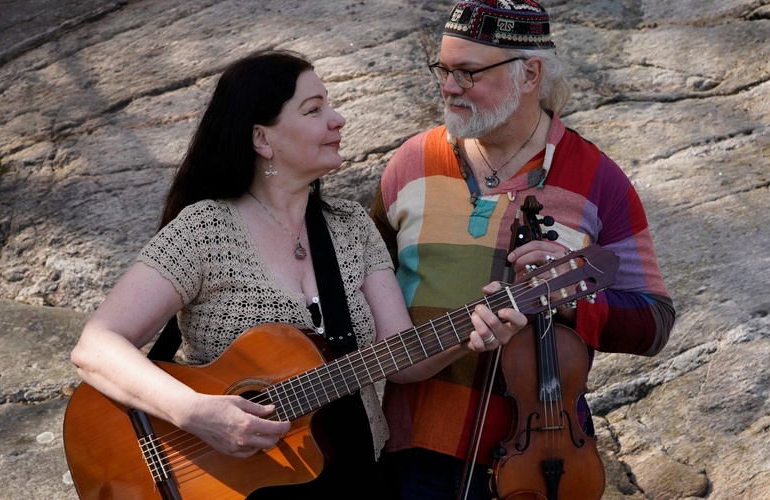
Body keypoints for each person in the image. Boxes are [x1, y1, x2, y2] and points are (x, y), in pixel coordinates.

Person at [69, 49, 527, 498]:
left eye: (328, 103)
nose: (338, 119)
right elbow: (96, 347)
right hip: (232, 482)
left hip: (354, 474)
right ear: (262, 139)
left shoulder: (350, 227)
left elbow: (402, 361)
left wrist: (473, 333)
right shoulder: (204, 229)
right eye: (314, 110)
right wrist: (197, 413)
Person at [369, 1, 677, 498]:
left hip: (548, 457)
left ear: (530, 73)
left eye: (468, 73)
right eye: (444, 70)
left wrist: (570, 299)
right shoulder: (410, 162)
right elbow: (358, 286)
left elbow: (654, 322)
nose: (449, 87)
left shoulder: (599, 178)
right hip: (416, 450)